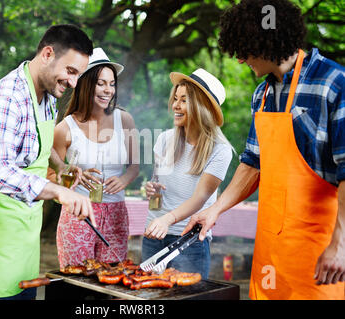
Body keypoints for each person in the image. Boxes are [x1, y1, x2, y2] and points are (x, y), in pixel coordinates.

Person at [184, 0, 345, 299]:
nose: (242, 60)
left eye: (244, 50)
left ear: (264, 41)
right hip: (271, 253)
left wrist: (341, 244)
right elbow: (252, 164)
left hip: (321, 255)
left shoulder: (333, 84)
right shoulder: (262, 94)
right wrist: (214, 210)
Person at [0, 24, 96, 300]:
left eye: (78, 75)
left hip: (24, 220)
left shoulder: (48, 97)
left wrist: (61, 166)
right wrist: (59, 191)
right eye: (71, 72)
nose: (73, 83)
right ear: (47, 54)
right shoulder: (6, 97)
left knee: (24, 294)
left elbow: (38, 145)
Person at [142, 68, 233, 279]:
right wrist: (151, 189)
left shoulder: (220, 150)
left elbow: (200, 197)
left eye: (184, 100)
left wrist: (168, 219)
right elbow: (157, 187)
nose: (175, 105)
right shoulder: (164, 139)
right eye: (175, 98)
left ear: (202, 107)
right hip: (154, 235)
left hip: (188, 242)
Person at [54, 48, 139, 268]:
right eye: (101, 83)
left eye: (111, 84)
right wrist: (71, 177)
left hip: (116, 216)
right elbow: (51, 178)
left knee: (112, 282)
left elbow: (134, 167)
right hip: (78, 215)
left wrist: (124, 180)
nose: (107, 90)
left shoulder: (125, 120)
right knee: (77, 283)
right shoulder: (65, 128)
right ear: (85, 83)